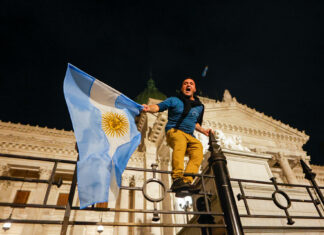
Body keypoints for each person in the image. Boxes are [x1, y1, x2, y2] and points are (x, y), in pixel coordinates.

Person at [142, 78, 212, 192]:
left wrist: (203, 131)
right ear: (182, 88)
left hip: (190, 135)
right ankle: (177, 178)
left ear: (194, 89)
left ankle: (186, 181)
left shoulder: (199, 106)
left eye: (191, 84)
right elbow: (159, 107)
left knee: (198, 148)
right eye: (185, 83)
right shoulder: (174, 100)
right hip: (174, 131)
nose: (188, 85)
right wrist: (149, 108)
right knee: (180, 142)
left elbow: (196, 122)